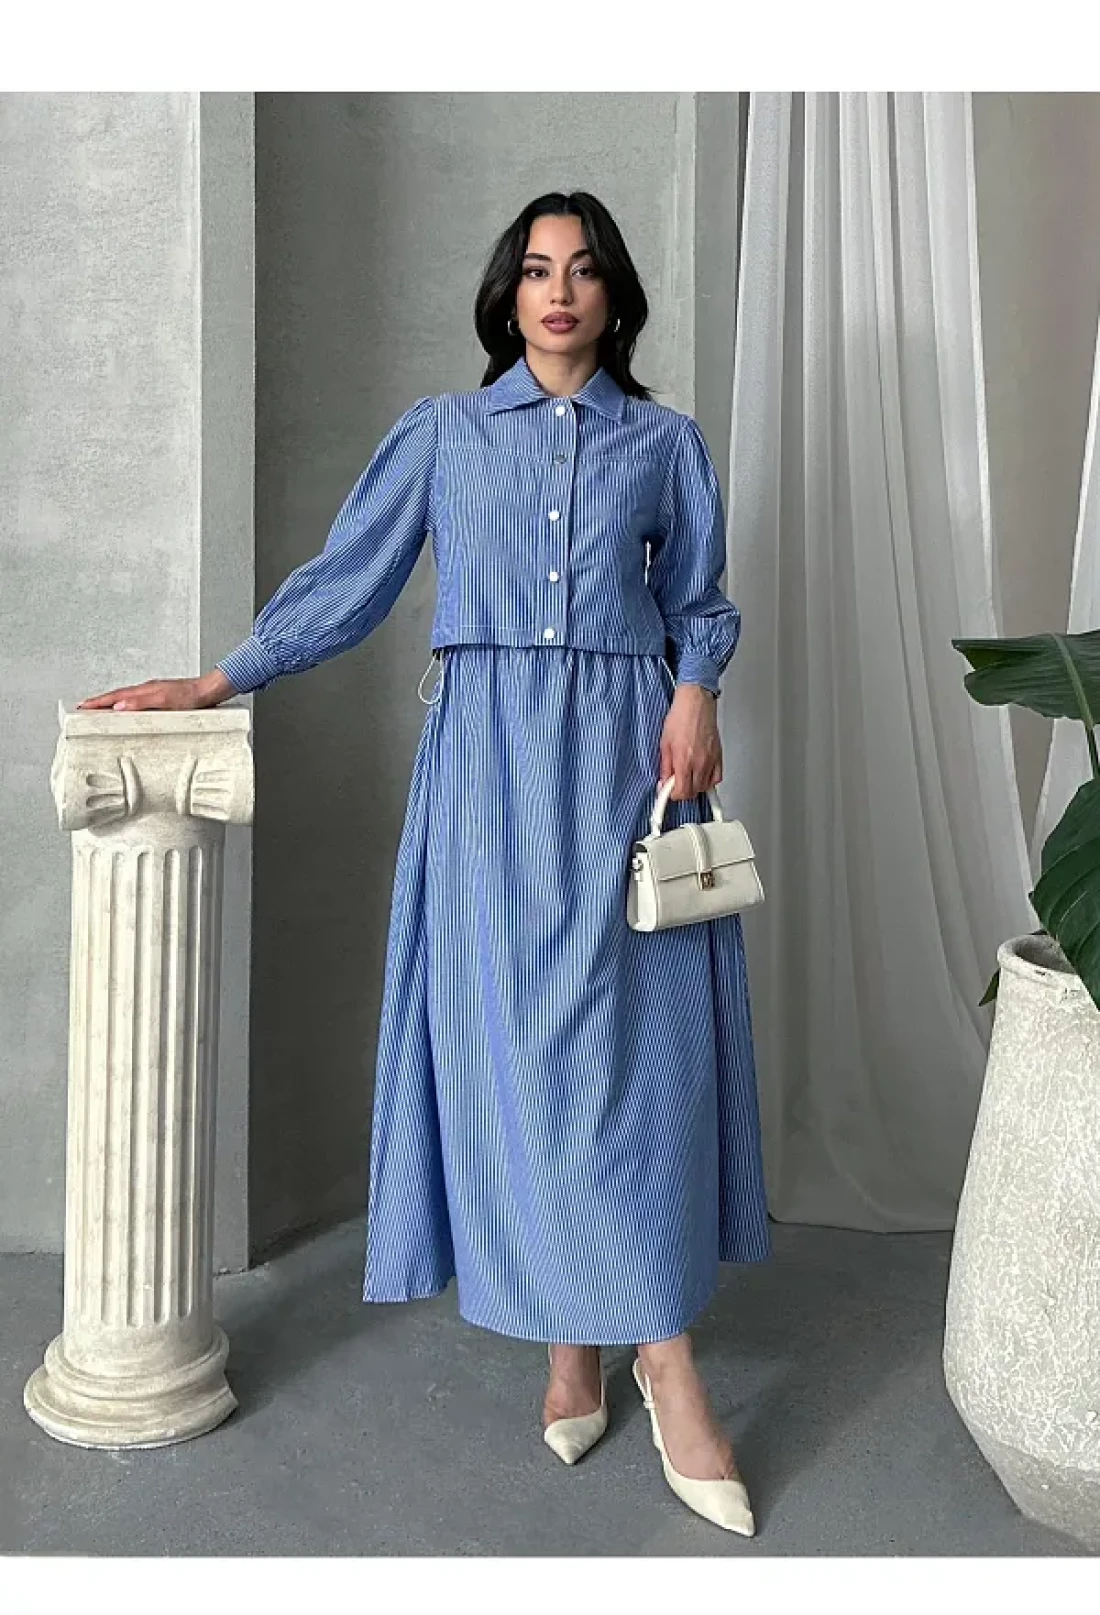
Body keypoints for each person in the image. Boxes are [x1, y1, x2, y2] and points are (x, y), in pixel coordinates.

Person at [77, 189, 771, 1536]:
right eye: (536, 269)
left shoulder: (663, 442)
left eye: (582, 270)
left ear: (613, 296)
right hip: (489, 777)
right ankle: (584, 1343)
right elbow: (350, 579)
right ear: (507, 295)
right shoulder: (445, 435)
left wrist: (698, 690)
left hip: (628, 766)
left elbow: (700, 600)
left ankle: (657, 1354)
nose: (558, 291)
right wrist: (219, 677)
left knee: (635, 1064)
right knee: (527, 1054)